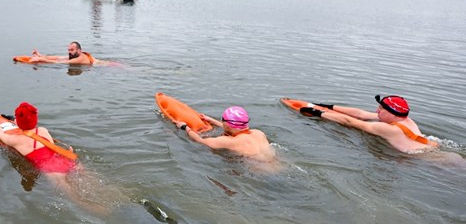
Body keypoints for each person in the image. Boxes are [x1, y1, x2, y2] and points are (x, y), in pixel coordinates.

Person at [0, 102, 110, 216]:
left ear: (19, 123)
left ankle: (102, 213)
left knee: (75, 197)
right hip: (65, 160)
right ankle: (118, 196)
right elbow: (28, 127)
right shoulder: (42, 130)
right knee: (94, 182)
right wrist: (13, 119)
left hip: (52, 170)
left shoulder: (17, 140)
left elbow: (0, 134)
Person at [299, 95, 438, 153]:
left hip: (427, 160)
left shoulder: (386, 128)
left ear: (392, 113)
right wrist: (328, 106)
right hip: (433, 148)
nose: (377, 110)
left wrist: (317, 113)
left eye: (381, 109)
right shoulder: (406, 120)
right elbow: (361, 114)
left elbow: (351, 122)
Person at [173, 106, 281, 173]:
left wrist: (184, 127)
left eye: (222, 119)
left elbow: (199, 140)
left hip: (262, 174)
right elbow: (236, 129)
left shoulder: (228, 141)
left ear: (227, 124)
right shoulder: (258, 133)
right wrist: (212, 121)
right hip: (278, 168)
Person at [30, 41, 113, 66]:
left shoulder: (81, 58)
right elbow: (59, 58)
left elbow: (61, 63)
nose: (69, 52)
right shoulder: (74, 56)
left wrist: (41, 59)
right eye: (69, 50)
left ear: (79, 50)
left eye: (72, 50)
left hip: (111, 67)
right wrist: (41, 55)